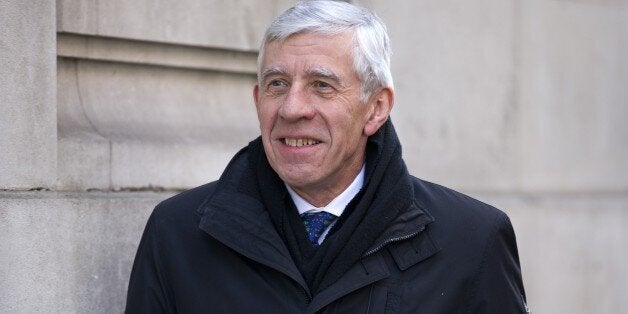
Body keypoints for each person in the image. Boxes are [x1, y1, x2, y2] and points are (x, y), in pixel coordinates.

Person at [125, 1, 528, 313]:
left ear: (376, 108)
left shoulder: (471, 241)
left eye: (321, 85)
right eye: (277, 84)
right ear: (257, 99)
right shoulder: (177, 233)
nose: (292, 108)